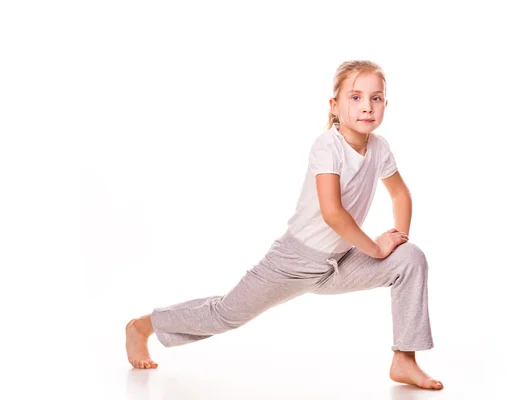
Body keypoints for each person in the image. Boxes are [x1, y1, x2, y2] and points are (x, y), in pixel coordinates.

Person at [125, 60, 444, 390]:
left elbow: (401, 195)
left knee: (410, 259)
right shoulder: (327, 146)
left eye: (376, 98)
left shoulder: (380, 148)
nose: (367, 106)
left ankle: (404, 359)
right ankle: (143, 326)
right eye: (356, 97)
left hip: (341, 261)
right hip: (294, 260)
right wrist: (377, 248)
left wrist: (398, 239)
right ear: (335, 106)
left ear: (385, 104)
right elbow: (333, 212)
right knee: (225, 314)